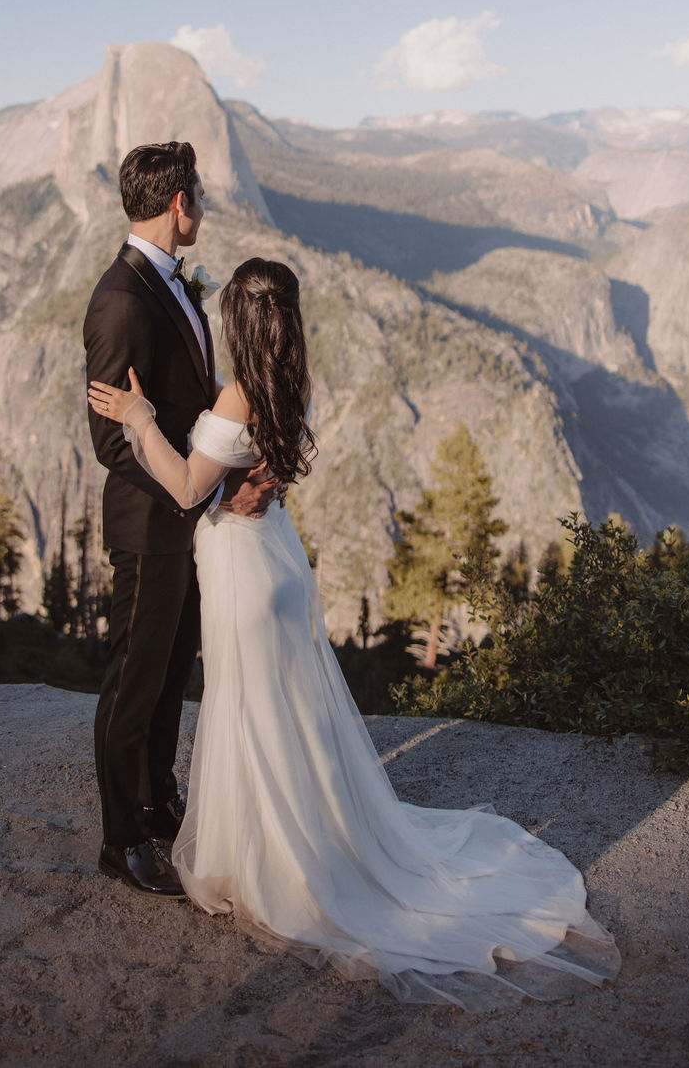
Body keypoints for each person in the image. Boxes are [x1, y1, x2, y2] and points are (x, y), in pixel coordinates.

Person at [87, 256, 620, 1004]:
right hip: (278, 559)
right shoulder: (286, 385)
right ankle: (302, 836)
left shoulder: (238, 394)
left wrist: (141, 420)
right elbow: (247, 459)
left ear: (240, 324)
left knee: (250, 707)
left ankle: (269, 858)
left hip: (240, 569)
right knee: (287, 710)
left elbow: (182, 487)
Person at [83, 142, 275, 899]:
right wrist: (197, 486)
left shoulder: (169, 283)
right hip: (148, 525)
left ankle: (159, 801)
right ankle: (120, 837)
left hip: (187, 520)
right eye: (198, 192)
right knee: (131, 683)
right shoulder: (121, 300)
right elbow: (110, 440)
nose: (202, 204)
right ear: (177, 203)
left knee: (168, 677)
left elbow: (191, 402)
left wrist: (225, 464)